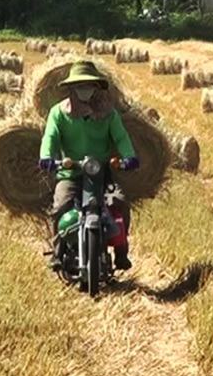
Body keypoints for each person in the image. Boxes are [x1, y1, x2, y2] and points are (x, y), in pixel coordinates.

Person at [38, 60, 139, 270]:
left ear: (96, 87)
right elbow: (51, 136)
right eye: (79, 86)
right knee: (60, 205)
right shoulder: (59, 113)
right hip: (70, 172)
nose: (84, 90)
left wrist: (129, 156)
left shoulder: (108, 114)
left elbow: (120, 137)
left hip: (101, 170)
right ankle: (58, 252)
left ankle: (121, 251)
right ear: (71, 89)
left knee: (120, 202)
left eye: (88, 85)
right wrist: (47, 156)